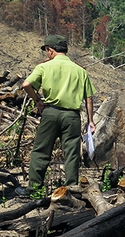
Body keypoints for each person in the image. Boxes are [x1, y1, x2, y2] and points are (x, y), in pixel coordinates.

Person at [17, 35, 96, 197]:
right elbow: (88, 98)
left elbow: (26, 84)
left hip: (50, 113)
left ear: (50, 50)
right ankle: (71, 189)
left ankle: (34, 189)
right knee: (72, 153)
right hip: (72, 116)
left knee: (41, 151)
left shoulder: (43, 67)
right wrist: (90, 121)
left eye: (47, 51)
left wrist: (38, 100)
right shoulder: (80, 70)